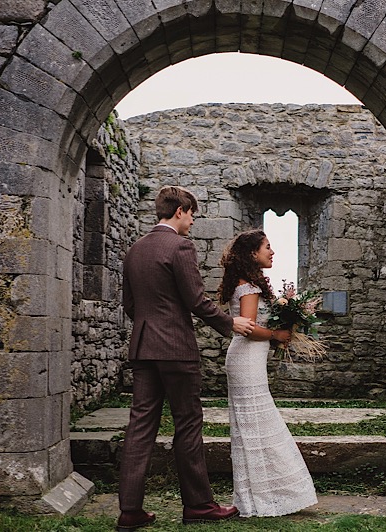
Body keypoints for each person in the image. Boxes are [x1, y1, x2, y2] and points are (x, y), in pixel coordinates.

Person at [117, 186, 254, 530]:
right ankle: (199, 505)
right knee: (188, 424)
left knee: (140, 427)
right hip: (176, 349)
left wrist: (150, 329)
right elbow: (195, 299)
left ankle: (129, 511)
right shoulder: (179, 245)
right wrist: (229, 322)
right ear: (179, 211)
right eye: (191, 213)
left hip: (143, 347)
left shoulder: (134, 250)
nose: (192, 220)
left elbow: (130, 306)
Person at [217, 230, 318, 517]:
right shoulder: (248, 287)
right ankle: (262, 497)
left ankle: (258, 496)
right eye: (267, 247)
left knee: (253, 427)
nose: (272, 252)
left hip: (248, 360)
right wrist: (276, 333)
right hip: (246, 360)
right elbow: (248, 328)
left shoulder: (247, 283)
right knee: (257, 426)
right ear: (252, 254)